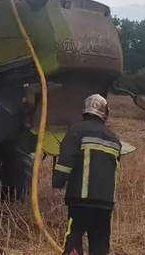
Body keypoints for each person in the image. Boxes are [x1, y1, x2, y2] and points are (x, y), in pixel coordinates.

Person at [52, 94, 121, 255]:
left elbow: (64, 164)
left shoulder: (76, 131)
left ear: (85, 111)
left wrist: (57, 183)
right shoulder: (114, 138)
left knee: (74, 239)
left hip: (80, 200)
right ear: (105, 113)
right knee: (100, 244)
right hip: (105, 203)